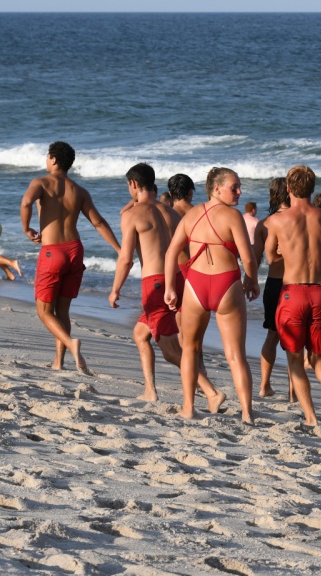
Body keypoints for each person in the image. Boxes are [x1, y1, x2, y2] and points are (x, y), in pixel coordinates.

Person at [109, 162, 224, 409]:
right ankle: (150, 390)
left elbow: (126, 259)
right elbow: (188, 248)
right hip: (178, 279)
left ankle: (211, 391)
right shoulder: (170, 213)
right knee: (140, 334)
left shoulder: (133, 215)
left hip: (155, 284)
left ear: (133, 184)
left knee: (171, 350)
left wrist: (115, 289)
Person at [164, 167, 259, 424]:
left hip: (195, 286)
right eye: (234, 187)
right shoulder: (233, 216)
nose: (239, 192)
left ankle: (188, 408)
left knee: (189, 349)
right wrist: (252, 280)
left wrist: (170, 288)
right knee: (235, 355)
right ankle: (247, 414)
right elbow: (248, 257)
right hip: (226, 284)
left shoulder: (191, 215)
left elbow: (171, 252)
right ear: (216, 189)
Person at [19, 141, 121, 373]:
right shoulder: (80, 191)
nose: (46, 160)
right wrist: (119, 249)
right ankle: (59, 362)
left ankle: (71, 343)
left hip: (52, 252)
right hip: (75, 250)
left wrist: (26, 229)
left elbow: (25, 202)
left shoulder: (41, 183)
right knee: (62, 311)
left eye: (47, 156)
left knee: (44, 312)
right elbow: (98, 222)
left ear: (54, 159)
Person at [264, 165, 321, 429]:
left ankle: (311, 417)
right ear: (313, 188)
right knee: (318, 357)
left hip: (293, 292)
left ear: (288, 188)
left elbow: (271, 257)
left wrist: (287, 252)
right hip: (320, 291)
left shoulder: (278, 220)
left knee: (295, 358)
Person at [259, 177, 291, 398]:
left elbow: (254, 259)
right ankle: (293, 391)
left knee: (272, 335)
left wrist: (249, 282)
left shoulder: (264, 224)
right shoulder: (298, 220)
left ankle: (264, 386)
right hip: (293, 284)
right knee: (294, 339)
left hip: (272, 283)